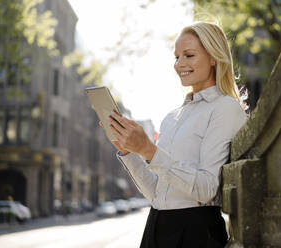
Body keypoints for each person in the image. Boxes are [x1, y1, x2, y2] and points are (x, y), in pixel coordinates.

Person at [104, 21, 247, 248]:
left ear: (214, 58)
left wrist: (149, 151)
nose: (180, 64)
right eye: (177, 57)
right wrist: (128, 151)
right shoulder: (171, 118)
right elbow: (156, 194)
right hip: (156, 228)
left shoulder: (225, 109)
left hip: (196, 233)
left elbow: (209, 189)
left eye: (189, 55)